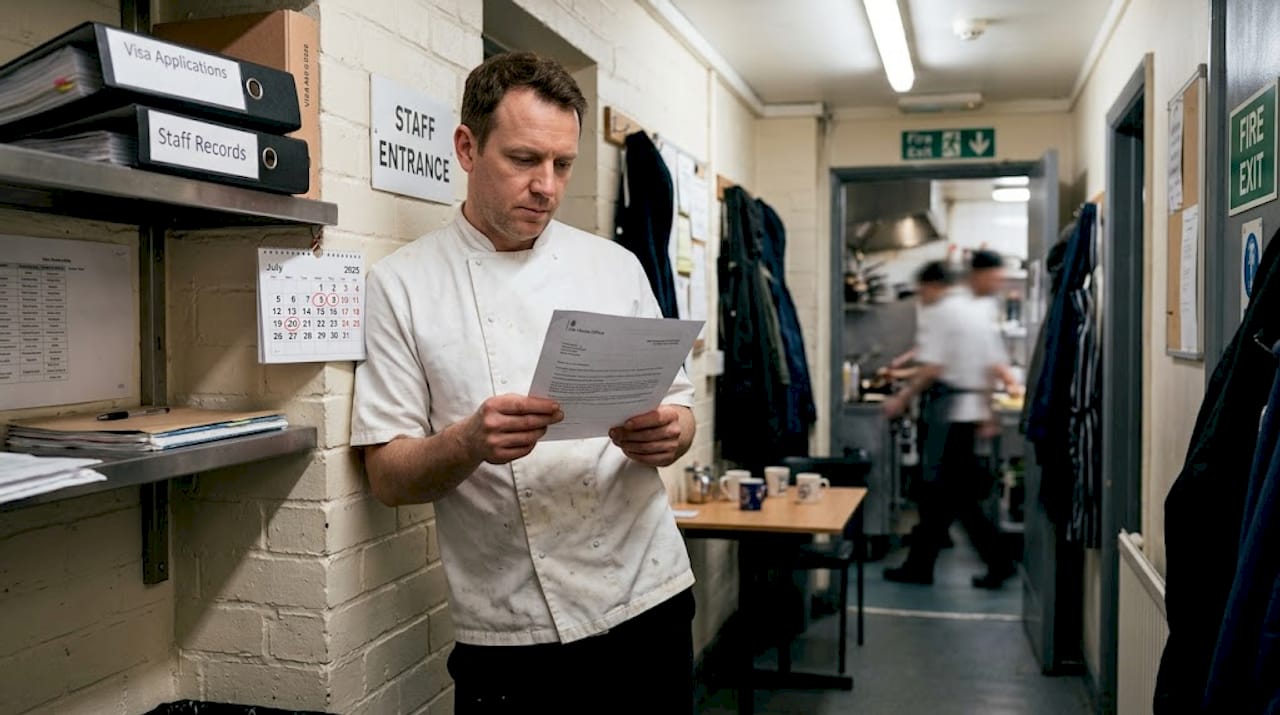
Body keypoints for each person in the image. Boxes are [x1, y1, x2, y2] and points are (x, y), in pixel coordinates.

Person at [350, 52, 698, 714]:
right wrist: (466, 442)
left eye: (562, 164)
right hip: (511, 632)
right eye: (524, 159)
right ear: (466, 147)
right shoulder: (401, 287)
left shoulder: (615, 267)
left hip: (650, 598)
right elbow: (388, 478)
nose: (546, 186)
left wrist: (671, 433)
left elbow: (680, 410)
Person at [881, 253, 1019, 588]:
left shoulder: (942, 312)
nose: (921, 298)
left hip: (947, 413)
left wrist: (902, 397)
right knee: (944, 495)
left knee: (949, 495)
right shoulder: (976, 309)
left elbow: (933, 367)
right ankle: (923, 565)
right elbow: (992, 365)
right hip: (966, 414)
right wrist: (987, 411)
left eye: (921, 291)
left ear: (932, 286)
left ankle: (995, 561)